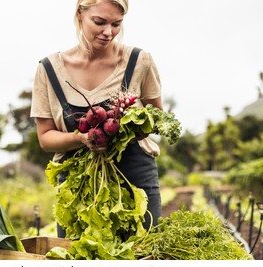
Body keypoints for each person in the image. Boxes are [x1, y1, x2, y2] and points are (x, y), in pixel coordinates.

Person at [30, 0, 163, 238]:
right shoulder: (50, 69)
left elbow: (158, 117)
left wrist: (133, 128)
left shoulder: (139, 61)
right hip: (78, 188)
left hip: (135, 182)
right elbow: (45, 138)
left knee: (143, 258)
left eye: (116, 24)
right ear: (80, 14)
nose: (108, 32)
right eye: (99, 22)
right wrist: (82, 138)